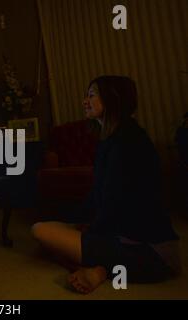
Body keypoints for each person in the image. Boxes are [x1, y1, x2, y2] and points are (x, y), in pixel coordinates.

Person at [32, 76, 181, 294]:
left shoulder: (128, 141)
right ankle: (101, 266)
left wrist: (91, 232)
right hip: (121, 235)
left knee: (40, 231)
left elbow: (115, 205)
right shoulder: (110, 139)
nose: (85, 101)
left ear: (113, 99)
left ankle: (101, 270)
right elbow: (97, 196)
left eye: (91, 95)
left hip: (148, 250)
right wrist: (74, 222)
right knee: (53, 231)